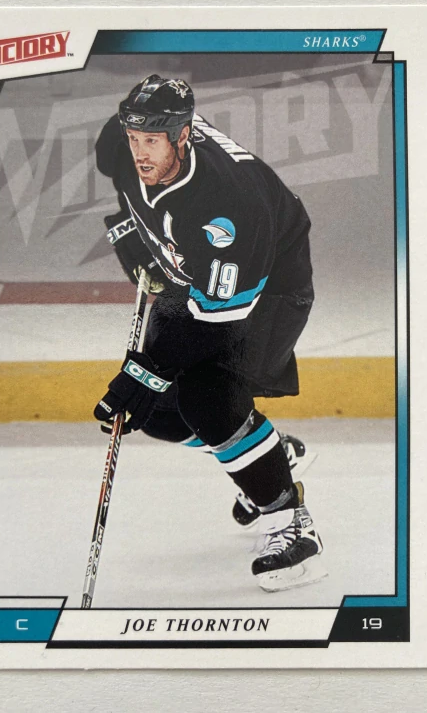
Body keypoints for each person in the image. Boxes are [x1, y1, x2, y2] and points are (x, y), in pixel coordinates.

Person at [93, 74, 326, 592]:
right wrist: (133, 238)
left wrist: (145, 371)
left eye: (152, 140)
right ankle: (270, 456)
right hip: (200, 277)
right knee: (159, 413)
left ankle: (292, 527)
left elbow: (219, 322)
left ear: (183, 135)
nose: (139, 152)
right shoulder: (119, 145)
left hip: (270, 285)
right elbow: (127, 191)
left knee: (207, 396)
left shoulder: (227, 205)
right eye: (133, 137)